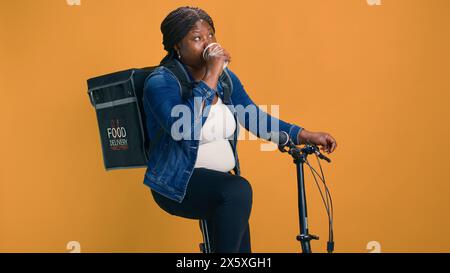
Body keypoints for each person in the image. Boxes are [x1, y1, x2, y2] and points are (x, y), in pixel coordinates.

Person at [142, 6, 337, 253]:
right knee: (238, 190)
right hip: (176, 185)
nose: (208, 44)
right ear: (177, 47)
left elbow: (253, 116)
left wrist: (303, 134)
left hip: (222, 188)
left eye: (210, 36)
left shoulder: (225, 79)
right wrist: (212, 73)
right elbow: (185, 128)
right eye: (197, 38)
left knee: (239, 240)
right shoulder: (161, 81)